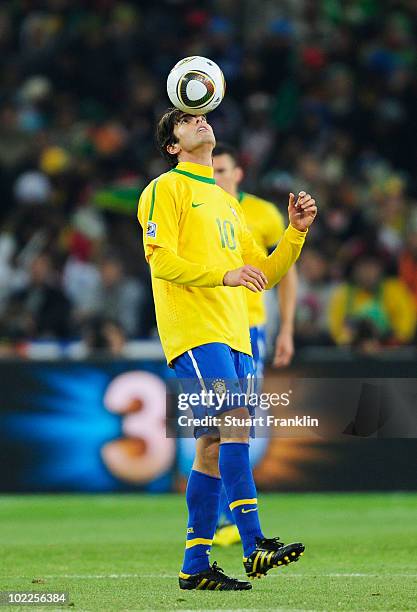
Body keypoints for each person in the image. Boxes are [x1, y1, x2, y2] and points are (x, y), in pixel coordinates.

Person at [137, 109, 317, 591]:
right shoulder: (164, 189)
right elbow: (162, 261)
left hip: (236, 333)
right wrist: (224, 275)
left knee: (210, 447)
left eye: (202, 116)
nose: (200, 122)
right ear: (172, 145)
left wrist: (295, 233)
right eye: (185, 121)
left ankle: (194, 567)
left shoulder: (227, 204)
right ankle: (255, 541)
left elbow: (264, 273)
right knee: (234, 420)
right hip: (195, 331)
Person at [212, 143, 298, 547]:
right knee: (216, 424)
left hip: (251, 327)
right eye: (211, 170)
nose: (216, 177)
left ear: (238, 172)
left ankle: (230, 518)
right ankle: (220, 519)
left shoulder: (262, 213)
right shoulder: (200, 209)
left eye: (222, 169)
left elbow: (284, 273)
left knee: (236, 421)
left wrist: (287, 329)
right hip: (211, 327)